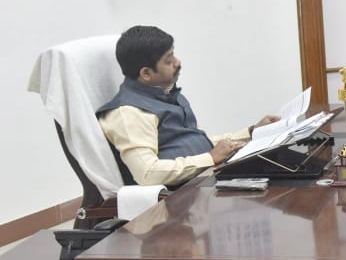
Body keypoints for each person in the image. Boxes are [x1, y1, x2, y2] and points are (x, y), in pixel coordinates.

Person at [97, 26, 278, 187]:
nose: (178, 62)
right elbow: (148, 173)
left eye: (173, 55)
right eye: (168, 61)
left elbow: (195, 141)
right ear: (146, 73)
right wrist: (210, 158)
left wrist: (251, 133)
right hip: (178, 198)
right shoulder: (129, 113)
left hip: (204, 179)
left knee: (280, 170)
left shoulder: (164, 93)